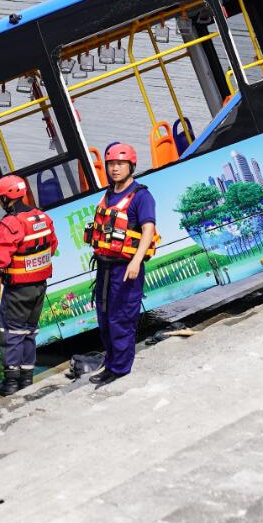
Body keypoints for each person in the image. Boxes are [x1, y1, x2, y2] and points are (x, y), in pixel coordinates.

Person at [83, 142, 158, 386]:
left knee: (121, 318)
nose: (115, 169)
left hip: (126, 267)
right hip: (105, 266)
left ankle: (120, 368)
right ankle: (111, 364)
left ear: (131, 166)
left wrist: (136, 261)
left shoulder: (141, 196)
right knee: (104, 318)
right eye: (111, 164)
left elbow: (148, 230)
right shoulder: (108, 194)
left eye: (120, 164)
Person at [0, 174, 58, 396]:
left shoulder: (11, 223)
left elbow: (1, 258)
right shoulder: (42, 217)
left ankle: (12, 384)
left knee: (11, 333)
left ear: (5, 199)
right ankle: (26, 379)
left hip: (18, 290)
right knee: (29, 332)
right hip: (39, 286)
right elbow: (52, 246)